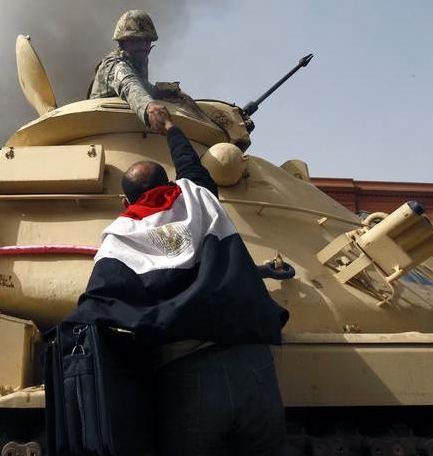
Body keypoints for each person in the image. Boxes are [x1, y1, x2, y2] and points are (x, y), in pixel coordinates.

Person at [66, 108, 289, 455]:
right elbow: (190, 165)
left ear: (125, 202)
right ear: (169, 184)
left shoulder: (119, 239)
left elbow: (98, 306)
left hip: (187, 373)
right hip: (252, 362)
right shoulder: (199, 196)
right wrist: (170, 126)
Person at [88, 10, 173, 131]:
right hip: (104, 131)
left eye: (146, 40)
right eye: (135, 40)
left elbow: (141, 87)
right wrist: (150, 107)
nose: (143, 46)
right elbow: (129, 85)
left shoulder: (136, 61)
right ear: (122, 42)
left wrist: (163, 91)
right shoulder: (114, 65)